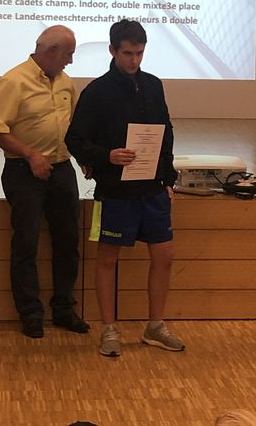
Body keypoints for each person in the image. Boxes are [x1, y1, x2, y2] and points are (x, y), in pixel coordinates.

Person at [65, 18, 184, 357]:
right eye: (128, 53)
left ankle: (155, 325)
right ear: (112, 50)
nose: (134, 60)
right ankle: (109, 329)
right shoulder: (96, 91)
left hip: (152, 189)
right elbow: (74, 140)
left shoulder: (153, 85)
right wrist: (107, 156)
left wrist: (168, 179)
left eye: (140, 53)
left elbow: (166, 133)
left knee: (165, 255)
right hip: (115, 191)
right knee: (108, 259)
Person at [0, 25, 89, 339]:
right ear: (52, 51)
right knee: (26, 244)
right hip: (23, 171)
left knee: (68, 242)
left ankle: (64, 309)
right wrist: (31, 155)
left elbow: (74, 127)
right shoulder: (14, 81)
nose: (71, 60)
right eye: (69, 53)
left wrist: (85, 157)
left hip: (62, 170)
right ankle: (30, 313)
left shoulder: (66, 83)